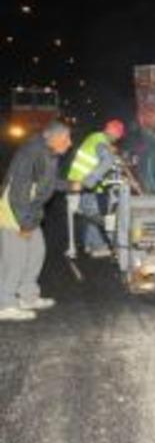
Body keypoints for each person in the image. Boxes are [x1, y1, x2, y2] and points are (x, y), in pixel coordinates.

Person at [0, 122, 79, 321]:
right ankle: (5, 303)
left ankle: (27, 296)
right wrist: (24, 224)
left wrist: (70, 185)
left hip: (29, 210)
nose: (69, 144)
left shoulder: (48, 152)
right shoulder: (32, 154)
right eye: (66, 139)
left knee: (36, 252)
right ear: (52, 138)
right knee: (15, 258)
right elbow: (19, 191)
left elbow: (46, 183)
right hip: (15, 211)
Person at [67, 119, 124, 258]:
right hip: (83, 184)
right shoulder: (100, 141)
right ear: (115, 135)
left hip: (78, 182)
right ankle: (99, 246)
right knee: (95, 216)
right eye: (116, 138)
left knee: (90, 214)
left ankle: (90, 244)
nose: (115, 141)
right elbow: (107, 160)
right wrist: (91, 181)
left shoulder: (95, 138)